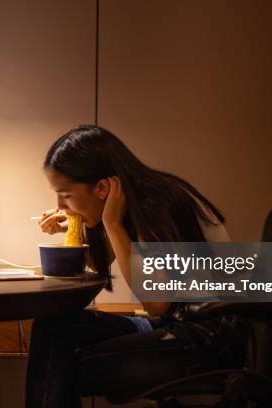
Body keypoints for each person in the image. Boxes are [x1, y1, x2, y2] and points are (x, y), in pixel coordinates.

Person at [26, 125, 249, 407]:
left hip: (211, 337)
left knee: (64, 366)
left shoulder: (159, 205)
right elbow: (99, 267)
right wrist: (78, 223)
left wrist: (113, 224)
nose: (60, 204)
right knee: (52, 328)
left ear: (103, 188)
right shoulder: (130, 202)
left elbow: (157, 302)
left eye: (66, 195)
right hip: (175, 323)